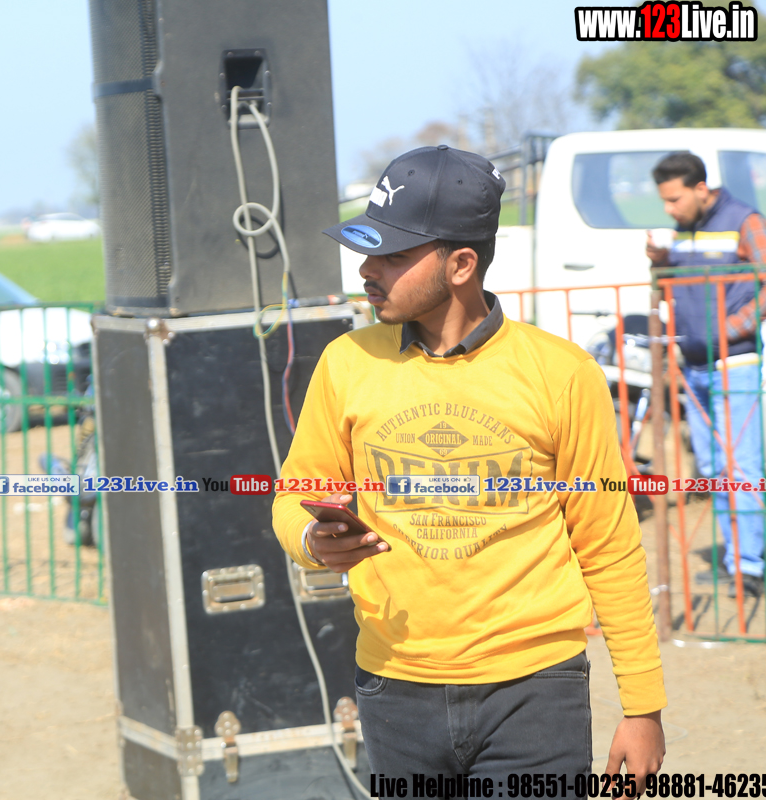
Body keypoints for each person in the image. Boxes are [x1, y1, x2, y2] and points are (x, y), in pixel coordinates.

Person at [273, 145, 666, 780]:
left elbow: (609, 545)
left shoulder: (562, 373)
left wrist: (643, 706)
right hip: (393, 687)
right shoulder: (346, 362)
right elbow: (295, 494)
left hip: (536, 692)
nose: (367, 270)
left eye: (392, 255)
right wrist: (312, 540)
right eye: (368, 251)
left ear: (461, 264)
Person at [646, 152, 766, 600]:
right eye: (664, 201)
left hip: (734, 363)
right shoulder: (682, 231)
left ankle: (749, 566)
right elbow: (670, 286)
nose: (669, 209)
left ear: (701, 188)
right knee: (715, 469)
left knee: (741, 468)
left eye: (675, 199)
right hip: (693, 366)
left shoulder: (746, 221)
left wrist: (730, 329)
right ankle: (733, 560)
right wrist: (660, 261)